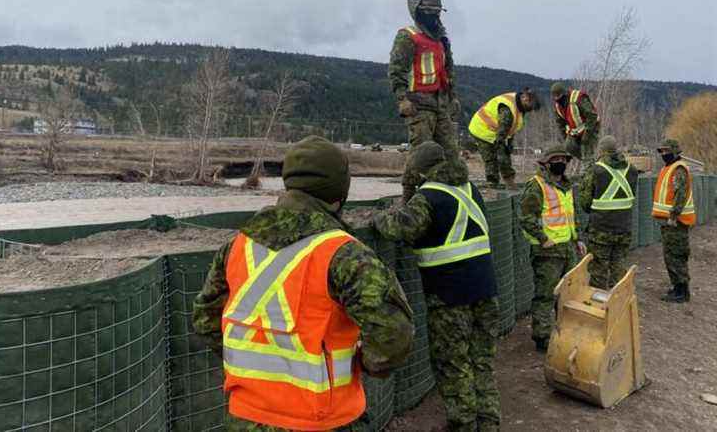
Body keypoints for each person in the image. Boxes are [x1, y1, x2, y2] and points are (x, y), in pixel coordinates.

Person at [192, 136, 415, 431]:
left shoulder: (237, 246)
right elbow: (394, 335)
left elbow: (206, 319)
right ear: (339, 195)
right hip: (322, 419)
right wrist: (364, 362)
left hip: (246, 417)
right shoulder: (346, 255)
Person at [373, 141, 500, 432]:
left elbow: (398, 228)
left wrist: (380, 216)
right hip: (485, 290)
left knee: (453, 362)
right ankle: (490, 421)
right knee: (482, 359)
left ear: (421, 169)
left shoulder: (429, 196)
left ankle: (463, 422)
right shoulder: (470, 190)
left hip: (449, 295)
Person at [388, 0, 461, 202]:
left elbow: (448, 70)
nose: (434, 16)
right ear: (420, 12)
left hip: (440, 102)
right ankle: (409, 198)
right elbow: (396, 70)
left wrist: (452, 96)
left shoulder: (442, 38)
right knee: (421, 152)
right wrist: (402, 98)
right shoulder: (408, 36)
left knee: (450, 151)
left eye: (437, 12)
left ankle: (450, 193)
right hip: (418, 103)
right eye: (430, 12)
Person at [519, 144, 582, 351]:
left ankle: (566, 332)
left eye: (564, 160)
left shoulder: (567, 186)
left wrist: (577, 239)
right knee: (545, 295)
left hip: (568, 250)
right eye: (556, 160)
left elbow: (570, 216)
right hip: (547, 252)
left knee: (568, 295)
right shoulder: (536, 186)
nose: (561, 163)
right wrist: (543, 238)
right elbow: (527, 218)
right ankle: (542, 338)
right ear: (546, 163)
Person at [578, 135, 638, 289]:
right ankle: (618, 303)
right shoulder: (631, 169)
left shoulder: (596, 170)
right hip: (624, 228)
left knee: (598, 270)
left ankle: (599, 306)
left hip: (600, 230)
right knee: (618, 267)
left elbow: (585, 202)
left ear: (601, 150)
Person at [652, 138, 697, 303]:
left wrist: (673, 215)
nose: (663, 154)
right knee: (671, 255)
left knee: (676, 255)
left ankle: (682, 291)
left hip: (676, 222)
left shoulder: (678, 169)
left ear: (675, 151)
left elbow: (680, 195)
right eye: (662, 151)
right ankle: (678, 288)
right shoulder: (670, 168)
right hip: (671, 222)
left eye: (666, 151)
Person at [468, 89, 541, 188]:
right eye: (530, 107)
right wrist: (502, 147)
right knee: (492, 158)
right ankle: (493, 184)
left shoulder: (519, 109)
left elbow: (511, 130)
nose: (530, 110)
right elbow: (502, 132)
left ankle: (505, 181)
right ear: (525, 99)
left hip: (493, 131)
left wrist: (509, 144)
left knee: (503, 153)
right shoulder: (508, 109)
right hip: (481, 129)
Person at [550, 82, 599, 170]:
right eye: (555, 97)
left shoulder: (578, 98)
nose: (557, 99)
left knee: (586, 147)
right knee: (568, 146)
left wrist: (587, 134)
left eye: (559, 96)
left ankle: (590, 169)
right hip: (575, 131)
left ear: (564, 94)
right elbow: (560, 123)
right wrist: (565, 137)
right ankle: (591, 162)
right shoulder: (558, 106)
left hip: (591, 126)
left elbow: (592, 116)